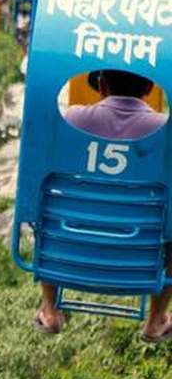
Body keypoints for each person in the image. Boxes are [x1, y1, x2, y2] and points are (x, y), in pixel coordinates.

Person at [33, 68, 171, 342]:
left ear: (101, 85)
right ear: (149, 89)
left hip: (72, 242)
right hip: (139, 253)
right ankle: (156, 319)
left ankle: (49, 309)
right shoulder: (164, 130)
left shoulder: (72, 118)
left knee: (46, 207)